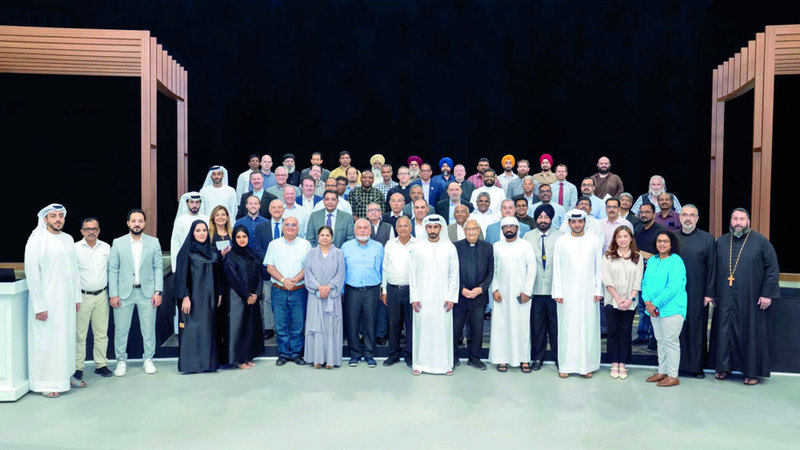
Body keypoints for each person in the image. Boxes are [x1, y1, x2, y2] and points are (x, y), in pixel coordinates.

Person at [709, 208, 779, 385]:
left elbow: (772, 269)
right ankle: (723, 367)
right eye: (735, 219)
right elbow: (713, 269)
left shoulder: (761, 242)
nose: (738, 223)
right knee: (724, 331)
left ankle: (751, 372)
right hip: (724, 296)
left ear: (748, 221)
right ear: (730, 221)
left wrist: (767, 294)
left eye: (742, 219)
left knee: (750, 332)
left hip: (751, 297)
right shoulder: (721, 242)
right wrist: (712, 293)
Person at [25, 204, 82, 397]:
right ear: (45, 219)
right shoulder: (36, 240)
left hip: (67, 302)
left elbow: (74, 270)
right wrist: (39, 305)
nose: (58, 219)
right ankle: (46, 383)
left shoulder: (68, 239)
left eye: (60, 216)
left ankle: (65, 376)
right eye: (53, 216)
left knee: (65, 340)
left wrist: (77, 297)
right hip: (47, 303)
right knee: (46, 342)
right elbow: (32, 274)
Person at [108, 209, 163, 376]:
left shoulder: (153, 242)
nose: (137, 224)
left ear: (144, 223)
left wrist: (158, 291)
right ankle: (121, 361)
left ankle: (148, 359)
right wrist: (113, 294)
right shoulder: (118, 243)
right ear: (128, 223)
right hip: (123, 294)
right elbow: (113, 269)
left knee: (149, 329)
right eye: (133, 221)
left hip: (147, 293)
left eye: (140, 221)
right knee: (121, 330)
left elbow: (158, 267)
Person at [552, 209, 603, 378]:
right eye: (573, 222)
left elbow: (599, 267)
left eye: (580, 221)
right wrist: (557, 291)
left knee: (588, 328)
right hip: (567, 293)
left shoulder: (594, 240)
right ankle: (566, 366)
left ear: (585, 222)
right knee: (567, 328)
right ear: (569, 223)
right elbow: (557, 268)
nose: (577, 225)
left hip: (589, 293)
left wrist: (598, 289)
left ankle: (587, 366)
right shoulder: (561, 241)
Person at [408, 215, 459, 375]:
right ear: (425, 228)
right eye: (429, 227)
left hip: (444, 297)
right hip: (422, 297)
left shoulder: (450, 247)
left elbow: (454, 274)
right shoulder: (417, 247)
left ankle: (445, 365)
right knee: (422, 329)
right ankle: (419, 364)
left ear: (441, 228)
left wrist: (451, 297)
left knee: (443, 330)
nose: (432, 230)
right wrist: (414, 297)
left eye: (435, 227)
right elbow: (412, 274)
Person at [489, 217, 536, 373]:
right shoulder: (497, 246)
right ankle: (502, 358)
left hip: (521, 294)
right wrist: (494, 289)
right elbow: (494, 270)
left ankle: (523, 359)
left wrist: (527, 291)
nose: (509, 229)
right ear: (502, 229)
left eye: (512, 226)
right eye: (506, 227)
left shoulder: (526, 246)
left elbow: (532, 269)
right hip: (501, 294)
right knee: (501, 326)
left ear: (517, 228)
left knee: (521, 326)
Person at [174, 221, 222, 374]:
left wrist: (220, 293)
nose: (202, 233)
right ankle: (192, 365)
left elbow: (219, 276)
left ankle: (208, 364)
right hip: (193, 299)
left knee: (209, 331)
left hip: (211, 299)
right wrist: (185, 296)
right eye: (198, 230)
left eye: (204, 230)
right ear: (192, 233)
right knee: (192, 331)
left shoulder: (214, 252)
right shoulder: (186, 253)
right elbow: (182, 276)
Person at [642, 231, 687, 387]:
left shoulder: (676, 261)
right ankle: (662, 371)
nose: (662, 244)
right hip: (653, 309)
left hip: (672, 309)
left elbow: (673, 287)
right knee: (660, 341)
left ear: (671, 244)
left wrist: (655, 303)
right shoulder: (653, 261)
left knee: (670, 342)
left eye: (665, 241)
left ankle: (673, 375)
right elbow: (645, 283)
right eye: (659, 241)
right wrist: (647, 301)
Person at [675, 204, 716, 378]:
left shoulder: (707, 239)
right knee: (676, 329)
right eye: (684, 215)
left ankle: (696, 367)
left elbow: (712, 268)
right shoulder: (672, 238)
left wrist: (709, 293)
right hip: (674, 292)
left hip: (698, 292)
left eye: (692, 215)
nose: (688, 218)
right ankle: (676, 366)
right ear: (679, 217)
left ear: (697, 218)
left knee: (697, 328)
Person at [265, 217, 311, 366]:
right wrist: (284, 280)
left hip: (299, 290)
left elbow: (308, 267)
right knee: (281, 324)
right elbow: (270, 267)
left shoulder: (305, 245)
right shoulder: (274, 245)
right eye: (287, 225)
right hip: (279, 290)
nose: (290, 227)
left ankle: (296, 354)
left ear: (298, 228)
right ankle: (284, 354)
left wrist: (295, 280)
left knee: (298, 324)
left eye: (294, 225)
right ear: (282, 227)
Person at [523, 204, 563, 371]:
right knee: (537, 327)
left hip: (555, 290)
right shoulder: (527, 236)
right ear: (536, 219)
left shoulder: (561, 236)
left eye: (546, 217)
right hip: (535, 290)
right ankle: (537, 358)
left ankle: (559, 358)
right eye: (540, 217)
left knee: (556, 327)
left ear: (551, 219)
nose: (543, 220)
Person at [601, 226, 643, 380]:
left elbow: (638, 280)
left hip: (630, 302)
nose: (622, 239)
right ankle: (614, 362)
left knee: (625, 332)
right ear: (615, 239)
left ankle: (623, 363)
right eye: (619, 236)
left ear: (631, 238)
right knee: (612, 331)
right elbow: (606, 279)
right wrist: (618, 299)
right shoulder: (608, 256)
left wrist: (630, 299)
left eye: (625, 236)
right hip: (612, 300)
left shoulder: (637, 256)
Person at [341, 219, 384, 368]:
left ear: (370, 230)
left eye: (366, 227)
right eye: (359, 228)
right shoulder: (346, 247)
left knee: (370, 322)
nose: (363, 230)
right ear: (354, 231)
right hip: (352, 290)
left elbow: (383, 268)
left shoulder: (378, 247)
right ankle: (355, 354)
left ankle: (369, 354)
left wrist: (383, 289)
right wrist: (341, 291)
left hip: (372, 290)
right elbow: (341, 270)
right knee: (352, 323)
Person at [74, 217, 112, 380]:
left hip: (102, 295)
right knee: (79, 335)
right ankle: (78, 368)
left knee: (101, 333)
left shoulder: (106, 247)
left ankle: (101, 365)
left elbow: (111, 270)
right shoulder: (74, 248)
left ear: (99, 231)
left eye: (94, 229)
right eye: (87, 229)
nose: (91, 231)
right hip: (82, 297)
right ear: (82, 231)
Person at [303, 226, 346, 369]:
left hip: (332, 296)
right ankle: (316, 359)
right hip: (315, 296)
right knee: (316, 326)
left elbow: (341, 273)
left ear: (332, 238)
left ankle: (330, 360)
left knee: (331, 327)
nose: (325, 238)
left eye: (328, 235)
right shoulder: (311, 253)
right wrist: (319, 287)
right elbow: (308, 273)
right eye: (322, 235)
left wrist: (329, 287)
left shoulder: (338, 253)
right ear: (318, 237)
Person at [453, 219, 493, 370]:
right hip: (460, 296)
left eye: (474, 229)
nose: (471, 232)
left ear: (479, 230)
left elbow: (491, 271)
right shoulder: (455, 247)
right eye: (468, 229)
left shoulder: (487, 247)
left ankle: (475, 359)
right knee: (455, 329)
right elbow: (452, 271)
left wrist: (481, 288)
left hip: (479, 297)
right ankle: (453, 358)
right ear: (464, 231)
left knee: (477, 330)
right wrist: (461, 289)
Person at [222, 225, 264, 370]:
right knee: (238, 328)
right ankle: (238, 360)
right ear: (234, 239)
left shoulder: (253, 254)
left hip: (253, 297)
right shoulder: (230, 256)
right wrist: (247, 295)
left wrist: (256, 293)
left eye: (244, 236)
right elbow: (233, 278)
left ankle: (248, 356)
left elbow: (259, 276)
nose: (241, 239)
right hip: (238, 298)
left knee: (250, 328)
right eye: (238, 237)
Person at [382, 216, 417, 367]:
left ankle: (410, 355)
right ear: (396, 229)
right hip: (393, 289)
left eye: (405, 226)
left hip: (411, 290)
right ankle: (393, 354)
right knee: (394, 323)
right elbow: (385, 268)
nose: (403, 228)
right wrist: (384, 290)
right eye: (400, 226)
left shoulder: (418, 244)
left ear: (411, 228)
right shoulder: (390, 244)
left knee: (411, 324)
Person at [631, 202, 664, 350]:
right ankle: (643, 335)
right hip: (639, 273)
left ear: (654, 214)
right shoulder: (638, 229)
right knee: (642, 307)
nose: (643, 215)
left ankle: (654, 338)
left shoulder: (660, 231)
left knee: (653, 306)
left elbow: (662, 254)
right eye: (641, 212)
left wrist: (643, 254)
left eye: (647, 212)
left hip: (654, 275)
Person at [252, 198, 286, 339]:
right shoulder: (261, 227)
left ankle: (283, 326)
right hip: (267, 271)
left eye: (279, 207)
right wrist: (271, 263)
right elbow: (258, 248)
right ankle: (269, 328)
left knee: (284, 301)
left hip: (286, 271)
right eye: (274, 207)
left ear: (283, 210)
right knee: (267, 299)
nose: (276, 210)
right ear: (269, 210)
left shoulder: (289, 224)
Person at [171, 192, 209, 269]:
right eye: (191, 202)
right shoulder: (180, 220)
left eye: (197, 202)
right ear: (187, 203)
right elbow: (175, 243)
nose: (194, 205)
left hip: (203, 259)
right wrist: (175, 267)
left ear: (200, 203)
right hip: (185, 259)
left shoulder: (206, 219)